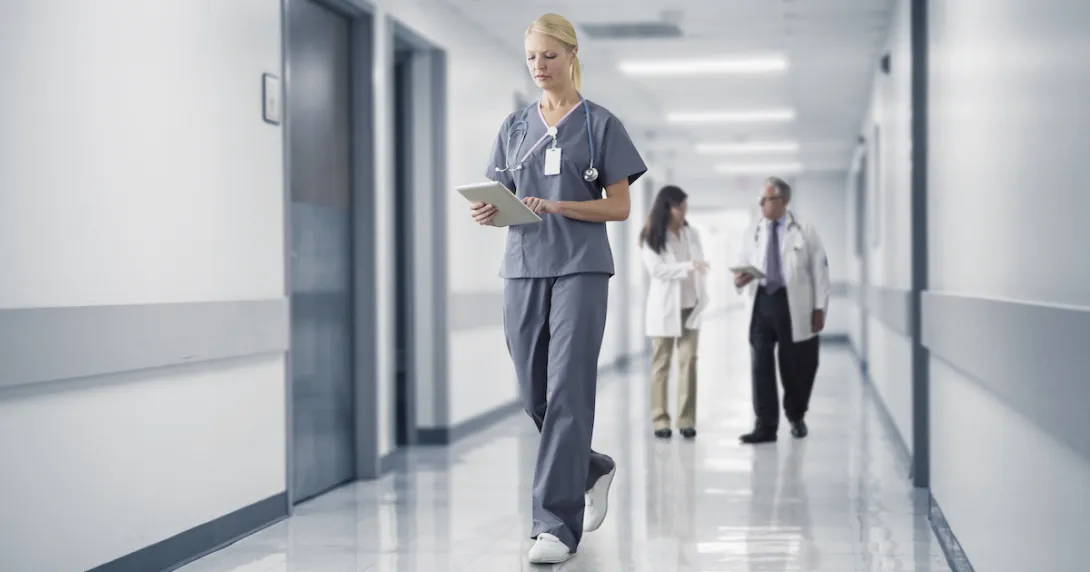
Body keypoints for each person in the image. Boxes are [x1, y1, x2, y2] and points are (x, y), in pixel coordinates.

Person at [468, 13, 648, 565]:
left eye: (549, 55)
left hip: (582, 267)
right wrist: (490, 212)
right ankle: (591, 467)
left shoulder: (600, 126)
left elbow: (619, 206)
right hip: (523, 265)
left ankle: (555, 526)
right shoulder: (515, 127)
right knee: (533, 393)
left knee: (569, 388)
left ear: (571, 55)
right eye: (531, 58)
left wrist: (561, 206)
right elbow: (505, 197)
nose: (539, 67)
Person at [732, 176, 830, 444]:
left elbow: (819, 271)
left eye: (767, 199)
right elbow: (742, 262)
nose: (762, 204)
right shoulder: (753, 230)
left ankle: (796, 415)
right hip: (761, 301)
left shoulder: (805, 230)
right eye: (760, 199)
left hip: (793, 303)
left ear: (784, 201)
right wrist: (739, 279)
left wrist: (820, 307)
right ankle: (765, 427)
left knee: (796, 365)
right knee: (760, 366)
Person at [639, 185, 709, 440]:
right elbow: (658, 270)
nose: (683, 213)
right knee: (662, 365)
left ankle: (687, 420)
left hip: (691, 307)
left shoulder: (691, 233)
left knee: (689, 363)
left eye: (685, 208)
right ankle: (660, 421)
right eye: (679, 208)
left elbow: (699, 264)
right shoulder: (651, 237)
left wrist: (699, 271)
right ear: (666, 207)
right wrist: (690, 266)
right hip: (665, 309)